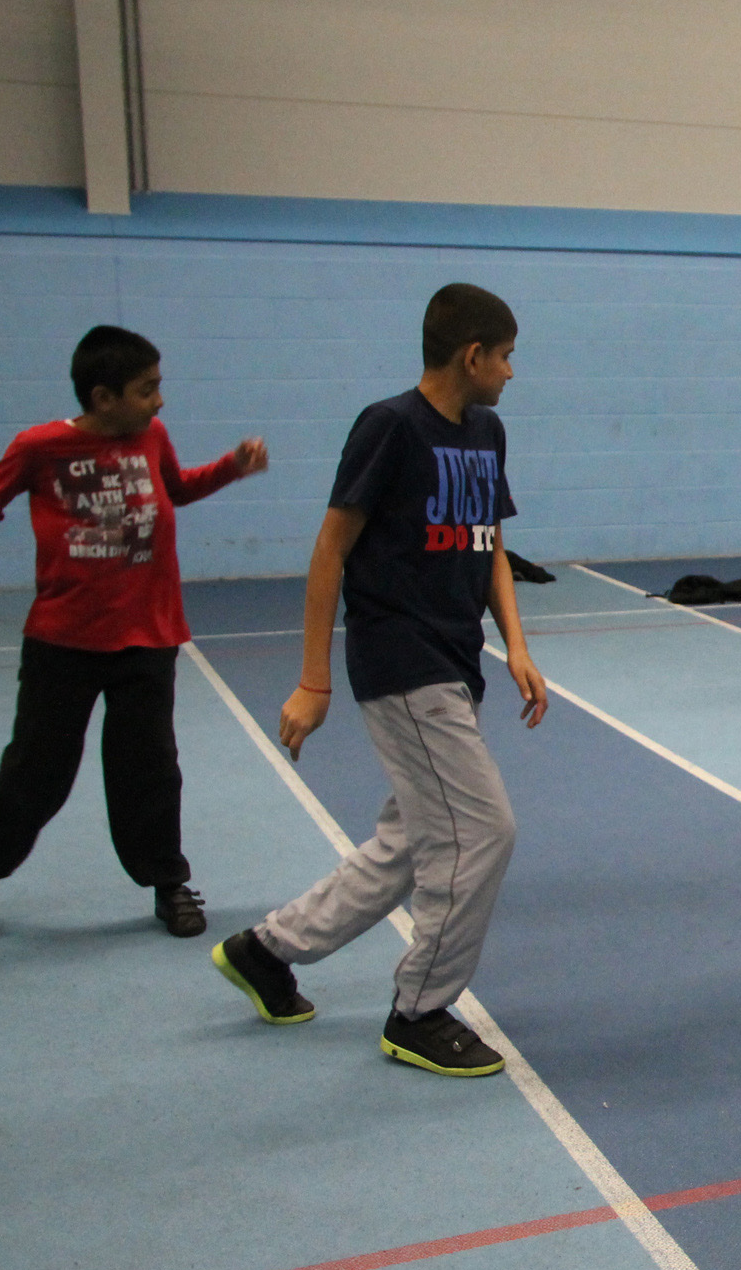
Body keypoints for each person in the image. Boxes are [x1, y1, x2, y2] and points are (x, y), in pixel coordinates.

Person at [208, 283, 548, 1079]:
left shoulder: (487, 432)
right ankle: (420, 1011)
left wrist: (518, 646)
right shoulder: (389, 427)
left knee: (409, 843)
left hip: (456, 660)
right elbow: (331, 550)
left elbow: (487, 540)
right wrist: (313, 680)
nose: (510, 372)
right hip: (400, 661)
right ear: (472, 356)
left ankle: (265, 951)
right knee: (484, 831)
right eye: (505, 356)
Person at [0, 324, 268, 942]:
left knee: (150, 770)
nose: (159, 401)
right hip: (64, 640)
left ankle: (168, 883)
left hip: (148, 636)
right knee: (36, 769)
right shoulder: (40, 446)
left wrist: (230, 468)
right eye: (147, 390)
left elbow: (178, 489)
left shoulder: (151, 436)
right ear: (103, 398)